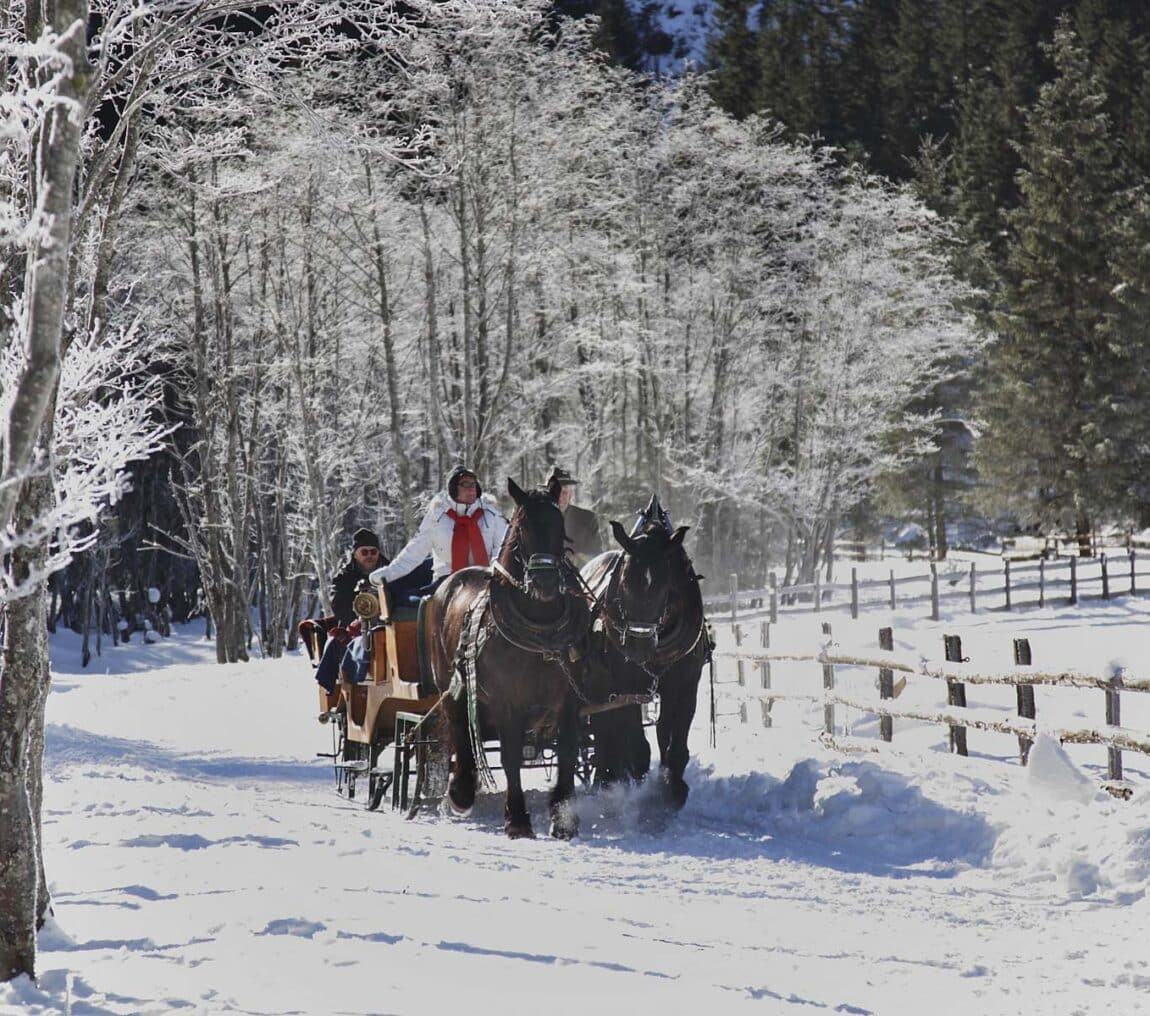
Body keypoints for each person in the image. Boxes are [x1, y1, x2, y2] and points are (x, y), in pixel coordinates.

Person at [370, 466, 508, 591]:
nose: (471, 488)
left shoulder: (491, 514)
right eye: (465, 484)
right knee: (423, 606)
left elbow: (502, 552)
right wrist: (384, 575)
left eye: (474, 484)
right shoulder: (436, 517)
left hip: (486, 580)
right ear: (453, 489)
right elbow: (413, 554)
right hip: (447, 582)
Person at [545, 466, 602, 567]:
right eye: (555, 492)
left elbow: (598, 558)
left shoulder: (587, 519)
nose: (560, 497)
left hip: (580, 577)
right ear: (546, 493)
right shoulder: (535, 519)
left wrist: (580, 557)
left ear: (571, 494)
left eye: (564, 492)